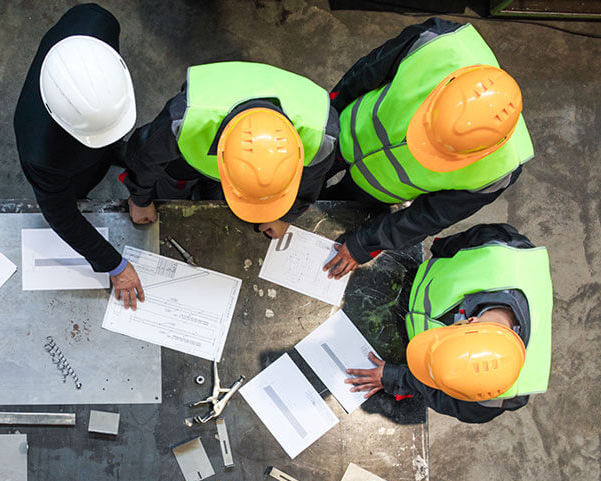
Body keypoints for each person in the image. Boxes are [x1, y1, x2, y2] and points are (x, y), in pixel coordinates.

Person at [322, 18, 533, 279]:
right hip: (347, 129)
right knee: (307, 175)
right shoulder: (437, 44)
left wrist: (364, 244)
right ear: (440, 92)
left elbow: (428, 217)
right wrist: (326, 118)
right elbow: (366, 72)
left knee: (332, 211)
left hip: (378, 188)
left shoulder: (499, 170)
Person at [346, 224, 552, 423]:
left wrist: (396, 376)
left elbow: (445, 397)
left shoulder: (496, 395)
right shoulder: (501, 248)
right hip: (408, 280)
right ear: (470, 320)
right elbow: (449, 247)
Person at [14, 3, 145, 309]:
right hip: (65, 159)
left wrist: (142, 191)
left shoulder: (97, 22)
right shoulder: (41, 153)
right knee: (77, 191)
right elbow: (62, 215)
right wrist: (116, 265)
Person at [121, 61, 338, 239]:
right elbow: (143, 156)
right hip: (186, 160)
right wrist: (141, 200)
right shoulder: (186, 120)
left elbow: (310, 183)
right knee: (170, 192)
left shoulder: (320, 135)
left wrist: (285, 216)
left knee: (217, 200)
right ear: (220, 156)